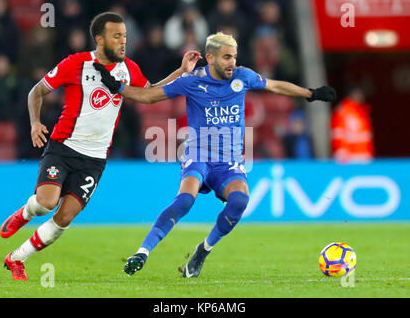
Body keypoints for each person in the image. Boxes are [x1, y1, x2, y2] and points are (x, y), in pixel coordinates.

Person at [94, 32, 336, 278]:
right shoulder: (191, 81)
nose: (232, 62)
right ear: (210, 58)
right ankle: (142, 252)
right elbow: (148, 96)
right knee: (185, 201)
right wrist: (117, 87)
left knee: (240, 201)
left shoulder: (243, 77)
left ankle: (203, 250)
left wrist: (311, 93)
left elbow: (275, 86)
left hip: (229, 161)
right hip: (198, 154)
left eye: (234, 56)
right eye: (227, 57)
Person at [0, 11, 201, 281]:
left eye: (125, 37)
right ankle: (25, 213)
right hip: (64, 147)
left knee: (65, 217)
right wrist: (35, 123)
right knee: (46, 203)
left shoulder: (128, 68)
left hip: (94, 159)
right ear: (99, 38)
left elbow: (150, 94)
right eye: (116, 36)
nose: (122, 42)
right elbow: (37, 91)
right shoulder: (76, 63)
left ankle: (16, 258)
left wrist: (181, 72)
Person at [330, 87, 374, 162]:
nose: (360, 97)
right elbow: (338, 133)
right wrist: (341, 153)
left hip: (364, 155)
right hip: (349, 157)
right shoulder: (342, 111)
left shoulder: (362, 111)